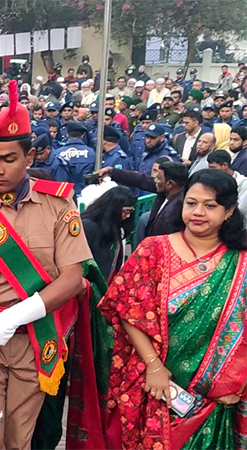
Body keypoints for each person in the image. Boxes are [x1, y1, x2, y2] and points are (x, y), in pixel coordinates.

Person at [0, 81, 91, 450]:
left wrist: (12, 318)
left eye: (8, 159)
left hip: (37, 337)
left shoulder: (58, 205)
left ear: (29, 158)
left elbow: (73, 278)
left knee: (18, 439)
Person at [98, 169, 247, 450]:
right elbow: (128, 310)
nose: (198, 212)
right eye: (191, 203)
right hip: (157, 384)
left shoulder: (240, 262)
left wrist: (235, 383)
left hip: (215, 397)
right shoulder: (153, 249)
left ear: (228, 211)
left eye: (210, 205)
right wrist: (153, 366)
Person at [80, 186, 137, 281]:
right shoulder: (88, 226)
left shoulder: (117, 227)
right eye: (126, 211)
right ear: (113, 209)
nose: (128, 216)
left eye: (131, 212)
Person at [207, 150, 247, 223]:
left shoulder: (243, 184)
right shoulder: (213, 182)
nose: (211, 171)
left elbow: (241, 209)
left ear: (224, 165)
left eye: (213, 167)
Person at [55, 121, 96, 191]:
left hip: (65, 193)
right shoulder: (91, 152)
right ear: (82, 136)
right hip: (86, 193)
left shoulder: (57, 153)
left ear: (67, 135)